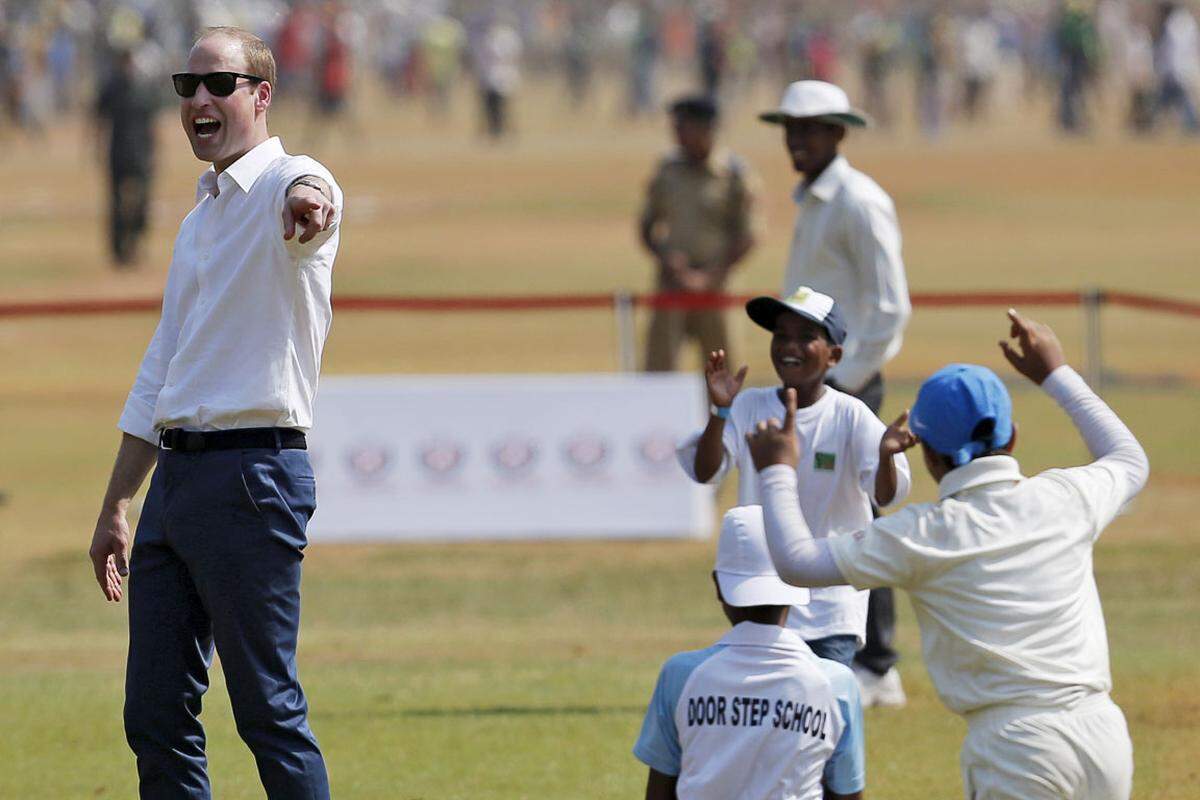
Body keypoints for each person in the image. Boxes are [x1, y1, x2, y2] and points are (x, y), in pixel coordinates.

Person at [86, 26, 343, 799]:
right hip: (176, 482)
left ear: (261, 96)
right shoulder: (198, 223)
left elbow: (316, 201)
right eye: (187, 87)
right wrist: (117, 502)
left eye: (219, 85)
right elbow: (162, 368)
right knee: (155, 714)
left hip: (253, 474)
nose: (199, 99)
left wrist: (310, 209)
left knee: (266, 709)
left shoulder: (288, 181)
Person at [747, 309, 1147, 799]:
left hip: (1016, 748)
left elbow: (797, 563)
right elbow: (1130, 459)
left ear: (929, 455)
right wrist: (1055, 374)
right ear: (1013, 436)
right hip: (1103, 734)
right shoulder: (1066, 497)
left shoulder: (922, 534)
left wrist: (777, 471)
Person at [759, 79, 911, 706]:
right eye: (790, 129)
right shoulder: (816, 199)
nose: (796, 139)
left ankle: (877, 663)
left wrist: (842, 386)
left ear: (839, 133)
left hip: (846, 380)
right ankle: (835, 651)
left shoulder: (858, 201)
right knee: (825, 514)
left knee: (855, 518)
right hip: (819, 379)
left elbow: (889, 308)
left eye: (811, 128)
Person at [677, 287, 911, 671]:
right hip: (762, 598)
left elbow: (886, 495)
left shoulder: (850, 415)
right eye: (781, 335)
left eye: (806, 337)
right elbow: (705, 471)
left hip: (830, 610)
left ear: (834, 355)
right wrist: (721, 412)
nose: (790, 346)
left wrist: (885, 456)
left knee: (820, 717)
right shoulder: (750, 405)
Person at [633, 506, 865, 800]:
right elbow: (847, 793)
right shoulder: (836, 683)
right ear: (799, 582)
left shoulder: (680, 674)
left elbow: (660, 791)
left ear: (719, 586)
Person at [639, 95, 759, 372]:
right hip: (671, 285)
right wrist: (666, 259)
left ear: (707, 129)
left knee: (723, 372)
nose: (677, 134)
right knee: (659, 371)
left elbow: (749, 235)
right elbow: (646, 227)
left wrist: (709, 276)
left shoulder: (734, 175)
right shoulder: (667, 171)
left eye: (684, 127)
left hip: (717, 288)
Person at [95, 47, 162, 268]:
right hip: (118, 152)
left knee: (142, 201)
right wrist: (96, 147)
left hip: (141, 152)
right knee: (115, 203)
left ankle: (135, 241)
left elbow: (153, 123)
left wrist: (156, 151)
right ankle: (119, 251)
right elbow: (99, 118)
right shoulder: (111, 87)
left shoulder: (144, 88)